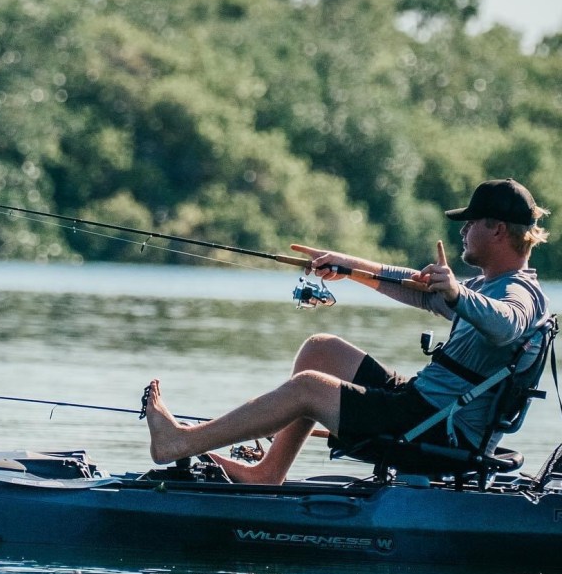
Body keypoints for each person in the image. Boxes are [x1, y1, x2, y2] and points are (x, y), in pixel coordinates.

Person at [145, 178, 551, 484]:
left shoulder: (518, 293)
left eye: (471, 223)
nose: (463, 231)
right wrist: (348, 267)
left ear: (497, 229)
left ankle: (180, 442)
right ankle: (267, 474)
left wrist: (458, 293)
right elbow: (417, 286)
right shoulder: (489, 285)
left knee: (309, 387)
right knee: (321, 350)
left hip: (437, 429)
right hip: (423, 406)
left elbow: (506, 324)